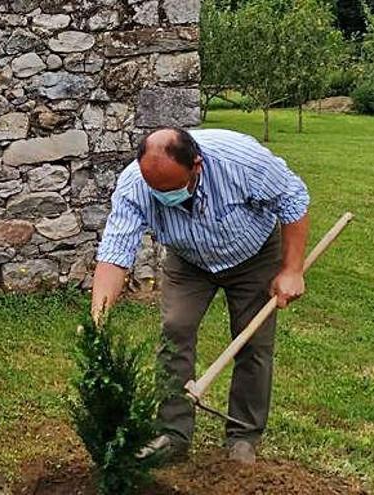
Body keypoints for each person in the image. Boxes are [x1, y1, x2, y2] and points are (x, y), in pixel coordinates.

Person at [90, 127, 310, 464]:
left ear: (197, 165)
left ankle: (243, 437)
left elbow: (293, 199)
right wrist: (98, 319)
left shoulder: (241, 161)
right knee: (175, 329)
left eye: (171, 189)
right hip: (189, 259)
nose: (163, 196)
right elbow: (116, 251)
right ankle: (172, 434)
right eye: (156, 190)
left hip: (253, 254)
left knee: (253, 342)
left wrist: (292, 269)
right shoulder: (136, 184)